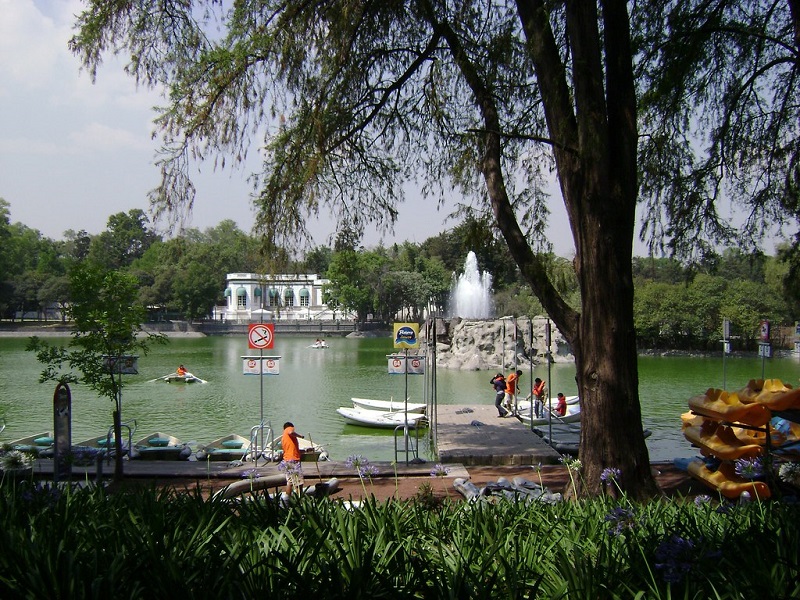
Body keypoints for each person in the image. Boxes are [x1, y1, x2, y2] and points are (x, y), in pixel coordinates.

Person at [281, 421, 305, 496]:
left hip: (287, 460)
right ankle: (299, 500)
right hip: (293, 461)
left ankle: (287, 500)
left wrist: (305, 451)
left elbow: (292, 450)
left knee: (290, 482)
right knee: (299, 482)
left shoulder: (284, 438)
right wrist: (300, 436)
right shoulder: (288, 429)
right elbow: (291, 432)